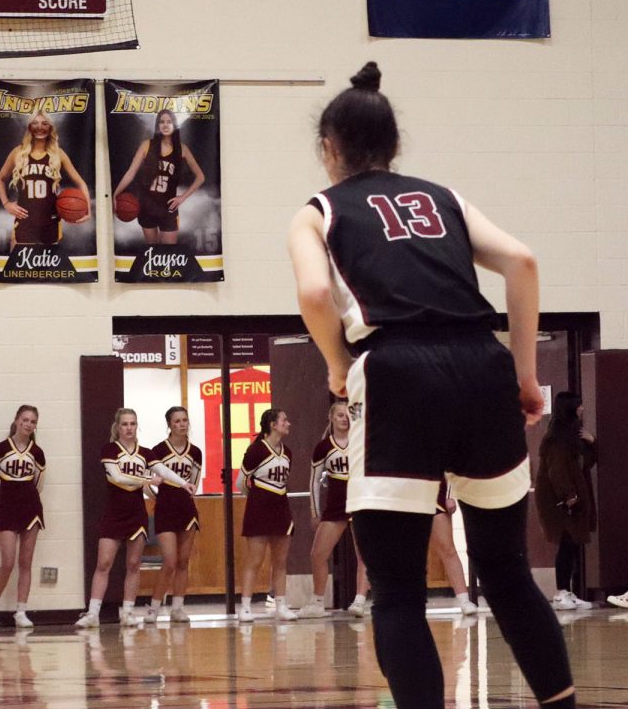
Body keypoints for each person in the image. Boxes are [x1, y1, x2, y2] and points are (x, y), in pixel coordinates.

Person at [287, 61, 575, 709]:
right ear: (393, 146)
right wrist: (524, 375)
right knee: (506, 574)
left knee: (395, 590)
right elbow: (523, 263)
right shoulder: (442, 197)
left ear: (328, 149)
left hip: (396, 372)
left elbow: (312, 292)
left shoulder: (319, 210)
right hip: (481, 365)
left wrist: (336, 363)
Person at [75, 408, 194, 629]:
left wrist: (182, 482)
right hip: (114, 513)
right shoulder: (110, 450)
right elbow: (117, 477)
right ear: (117, 427)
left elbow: (163, 470)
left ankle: (128, 612)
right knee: (104, 563)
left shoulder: (146, 453)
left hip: (136, 513)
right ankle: (93, 613)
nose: (129, 428)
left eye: (132, 424)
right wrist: (147, 479)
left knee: (133, 564)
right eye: (125, 424)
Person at [299, 401, 370, 619]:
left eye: (347, 414)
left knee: (364, 555)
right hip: (335, 506)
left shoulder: (361, 441)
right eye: (339, 415)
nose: (344, 418)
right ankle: (318, 601)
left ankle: (359, 600)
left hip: (360, 503)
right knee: (318, 554)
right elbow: (313, 483)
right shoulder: (323, 447)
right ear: (331, 418)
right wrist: (314, 512)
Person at [0, 404, 47, 629]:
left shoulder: (37, 452)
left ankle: (21, 611)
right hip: (7, 507)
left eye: (33, 421)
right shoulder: (2, 448)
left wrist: (26, 497)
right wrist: (8, 498)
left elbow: (39, 483)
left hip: (30, 507)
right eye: (25, 420)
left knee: (26, 563)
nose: (28, 424)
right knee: (8, 562)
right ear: (17, 421)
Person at [534, 391, 597, 611]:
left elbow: (585, 463)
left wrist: (591, 442)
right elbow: (557, 470)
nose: (582, 408)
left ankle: (566, 591)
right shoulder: (557, 436)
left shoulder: (572, 434)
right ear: (570, 408)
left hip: (568, 496)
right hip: (558, 499)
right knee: (566, 541)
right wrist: (569, 497)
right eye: (579, 405)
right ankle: (561, 592)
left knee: (571, 543)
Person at [0, 111, 91, 250]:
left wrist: (88, 210)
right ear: (29, 127)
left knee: (49, 270)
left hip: (50, 221)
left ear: (51, 128)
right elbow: (0, 179)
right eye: (35, 123)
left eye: (45, 123)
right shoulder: (18, 152)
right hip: (25, 221)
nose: (40, 127)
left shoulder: (58, 154)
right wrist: (6, 204)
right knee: (18, 269)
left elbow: (81, 183)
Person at [236, 408, 298, 622]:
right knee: (255, 560)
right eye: (284, 420)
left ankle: (280, 605)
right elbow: (240, 482)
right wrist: (256, 498)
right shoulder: (256, 451)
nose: (288, 423)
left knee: (280, 561)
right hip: (259, 509)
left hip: (281, 508)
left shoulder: (287, 452)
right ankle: (245, 607)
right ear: (272, 424)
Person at [143, 406, 203, 623]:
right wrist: (156, 498)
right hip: (165, 508)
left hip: (186, 509)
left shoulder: (195, 452)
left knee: (183, 561)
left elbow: (194, 482)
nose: (182, 424)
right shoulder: (157, 450)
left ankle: (178, 607)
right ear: (169, 424)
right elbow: (146, 482)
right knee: (169, 561)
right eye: (177, 421)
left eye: (185, 420)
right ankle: (154, 607)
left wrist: (191, 500)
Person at [111, 109, 207, 244]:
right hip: (146, 207)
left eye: (169, 122)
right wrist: (115, 194)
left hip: (168, 208)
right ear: (158, 125)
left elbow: (200, 177)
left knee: (168, 253)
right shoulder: (146, 145)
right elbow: (130, 172)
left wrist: (182, 198)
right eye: (162, 122)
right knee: (152, 251)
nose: (166, 125)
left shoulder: (182, 149)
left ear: (174, 125)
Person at [429, 481, 481, 615]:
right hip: (403, 494)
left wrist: (449, 495)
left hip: (432, 491)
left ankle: (464, 600)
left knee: (447, 548)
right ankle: (367, 600)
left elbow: (447, 462)